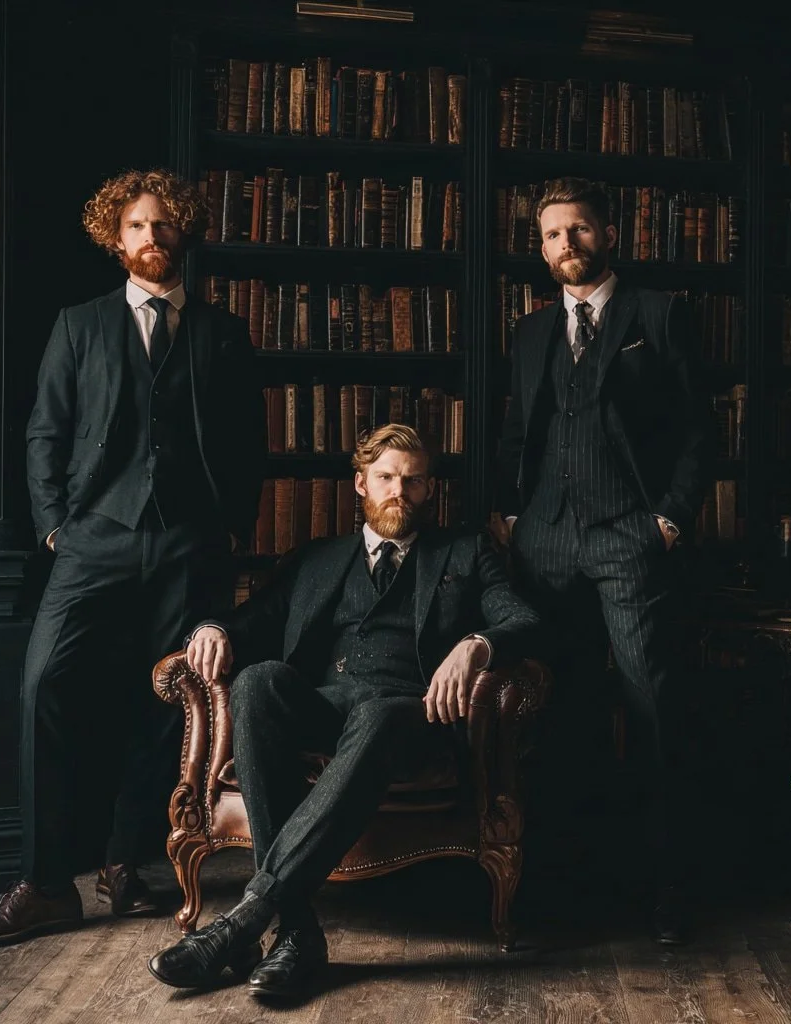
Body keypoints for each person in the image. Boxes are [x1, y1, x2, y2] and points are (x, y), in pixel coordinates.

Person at [0, 169, 266, 943]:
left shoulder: (223, 332)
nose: (151, 237)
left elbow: (245, 443)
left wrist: (230, 529)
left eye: (163, 225)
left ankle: (127, 864)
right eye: (136, 225)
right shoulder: (79, 325)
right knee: (43, 688)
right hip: (93, 539)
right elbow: (44, 433)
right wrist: (57, 526)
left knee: (170, 705)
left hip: (190, 544)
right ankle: (46, 881)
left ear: (182, 234)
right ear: (114, 238)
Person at [147, 424, 540, 998]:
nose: (398, 493)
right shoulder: (318, 559)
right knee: (257, 683)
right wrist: (212, 629)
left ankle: (245, 921)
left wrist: (476, 645)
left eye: (412, 481)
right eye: (385, 478)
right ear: (361, 484)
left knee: (378, 716)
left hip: (412, 715)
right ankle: (298, 931)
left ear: (430, 490)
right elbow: (252, 620)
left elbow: (524, 619)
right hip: (329, 706)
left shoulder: (465, 552)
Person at [492, 176, 712, 944]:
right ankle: (569, 884)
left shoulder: (659, 315)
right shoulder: (529, 333)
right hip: (546, 543)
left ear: (606, 233)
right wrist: (517, 519)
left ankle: (668, 893)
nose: (566, 246)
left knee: (653, 707)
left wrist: (669, 522)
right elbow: (519, 432)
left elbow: (697, 431)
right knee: (558, 709)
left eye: (578, 230)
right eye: (552, 235)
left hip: (629, 536)